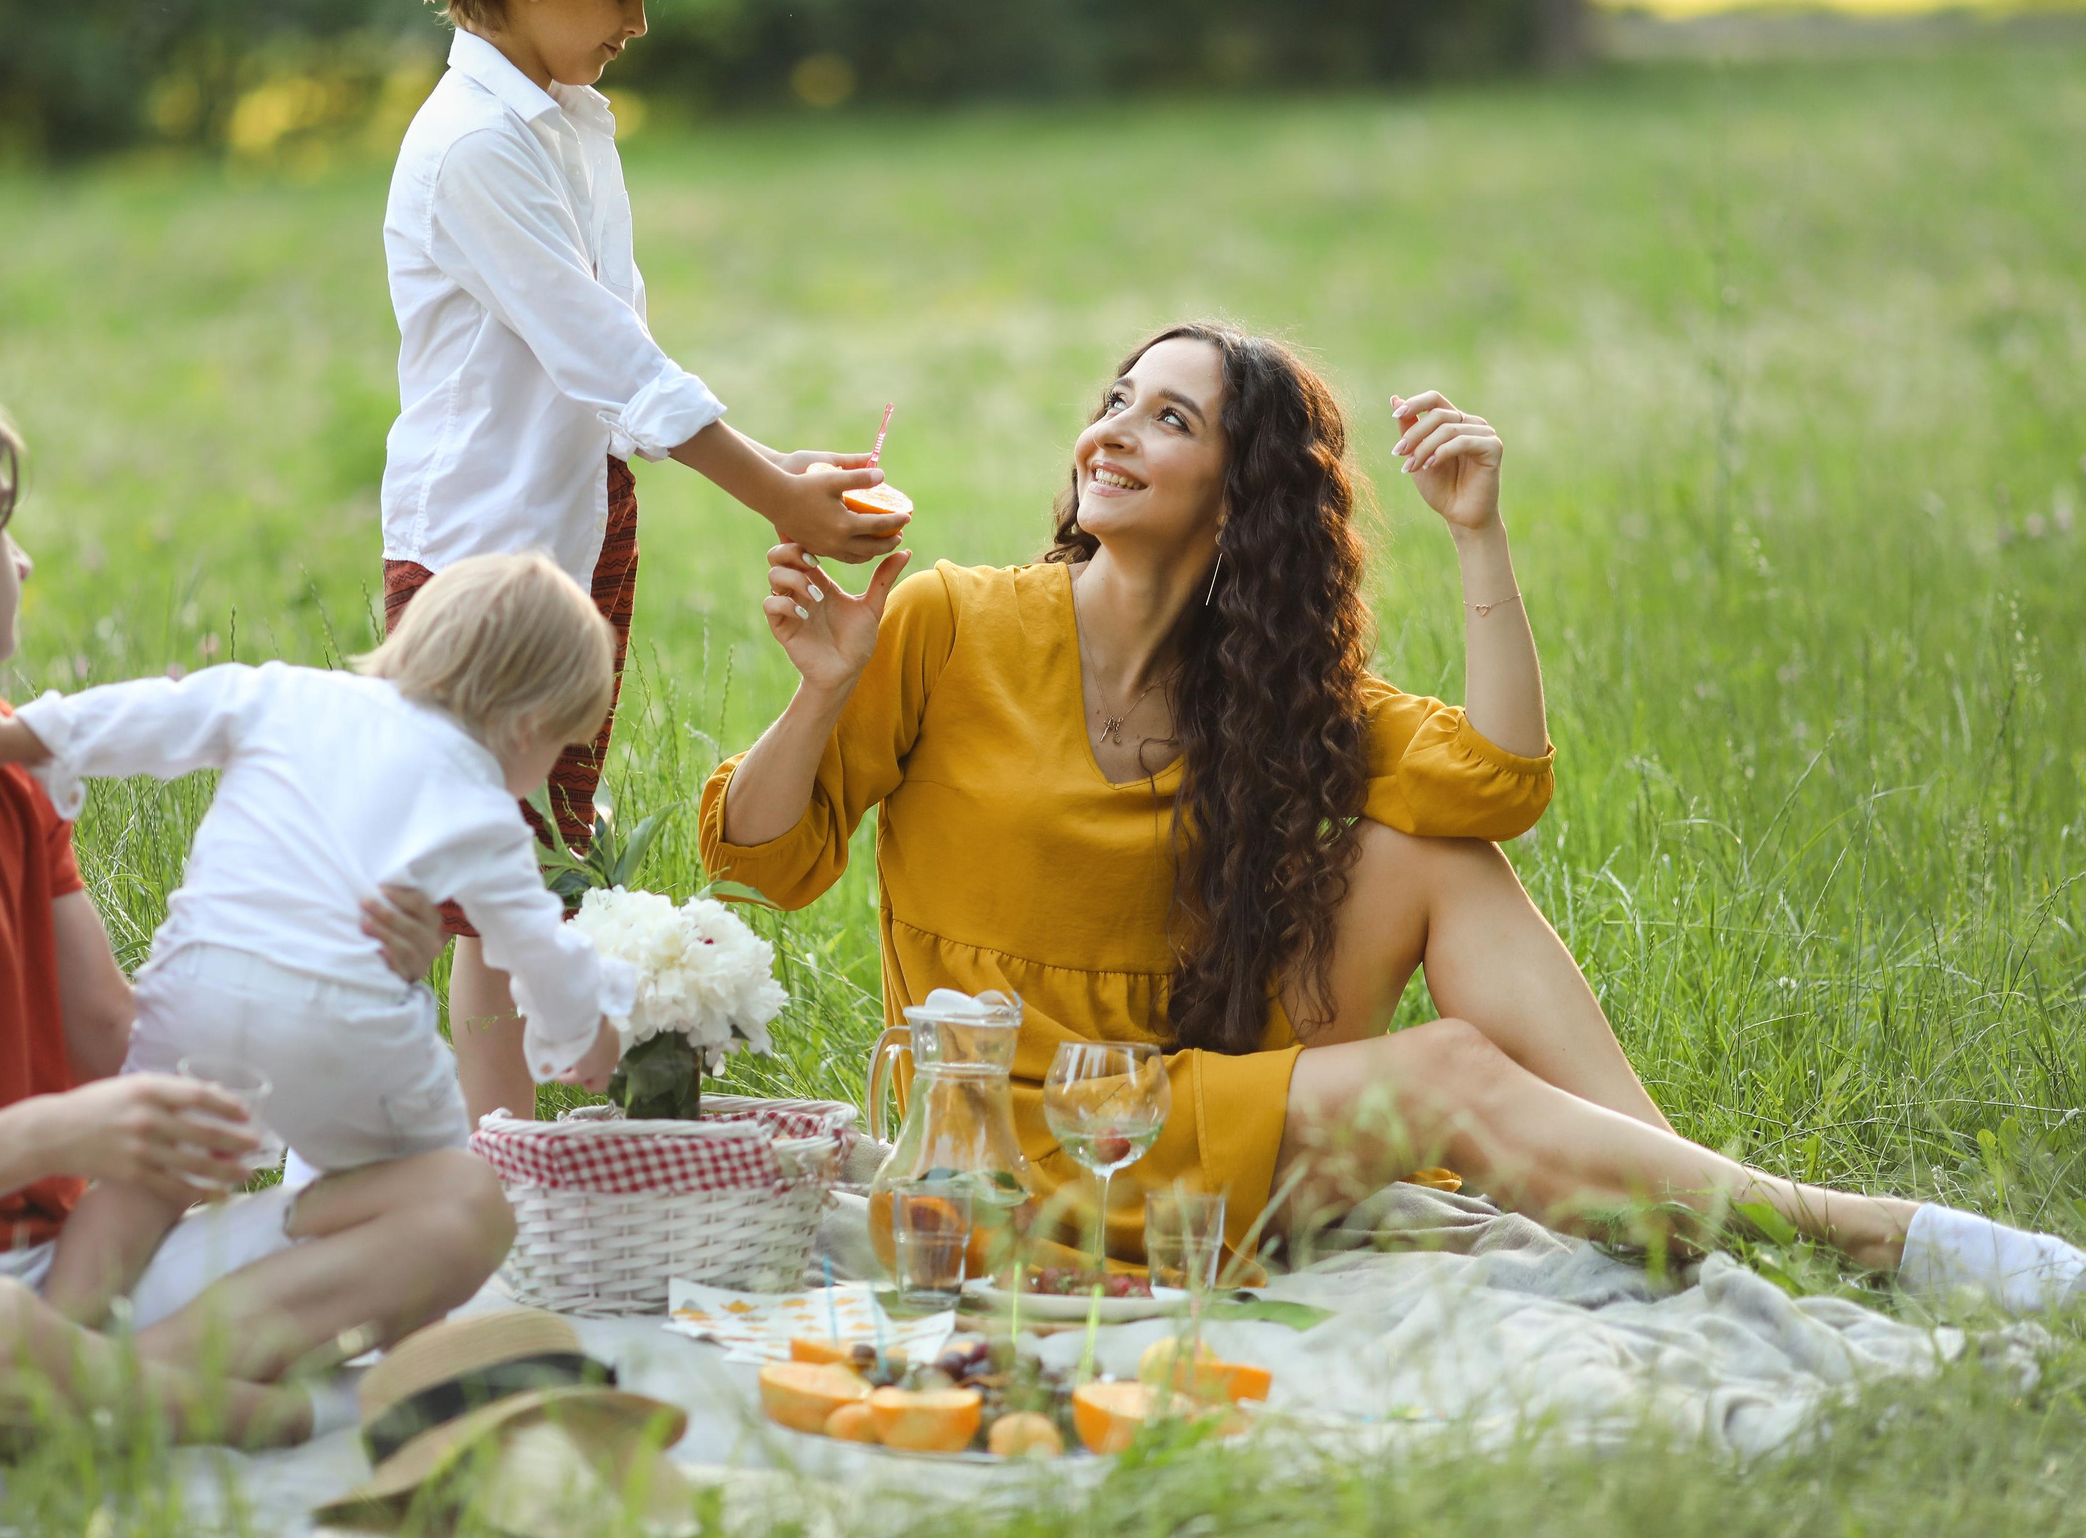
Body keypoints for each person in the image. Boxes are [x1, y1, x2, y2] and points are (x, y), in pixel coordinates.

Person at [699, 320, 2086, 1314]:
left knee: (1434, 851)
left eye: (1170, 418)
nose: (1112, 429)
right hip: (1015, 1138)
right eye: (1116, 400)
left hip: (1184, 1090)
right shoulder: (946, 619)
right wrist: (822, 691)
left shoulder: (1268, 692)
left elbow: (1498, 781)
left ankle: (1694, 1195)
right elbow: (759, 860)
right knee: (1451, 1068)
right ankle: (1871, 1235)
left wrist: (1478, 532)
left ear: (1242, 499)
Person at [0, 341, 513, 1445]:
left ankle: (103, 1395)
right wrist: (55, 1134)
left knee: (460, 1202)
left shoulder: (2, 760)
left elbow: (115, 1039)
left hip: (55, 1275)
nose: (21, 561)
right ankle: (199, 1407)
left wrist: (358, 976)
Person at [386, 0, 909, 1124]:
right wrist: (775, 496)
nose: (639, 20)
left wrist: (775, 462)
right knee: (492, 882)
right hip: (484, 561)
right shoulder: (474, 145)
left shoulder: (566, 122)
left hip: (573, 524)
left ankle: (522, 1147)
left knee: (543, 856)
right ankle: (491, 1162)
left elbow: (615, 360)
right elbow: (607, 358)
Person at [0, 553, 636, 1318]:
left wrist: (32, 731)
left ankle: (56, 1331)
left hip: (197, 991)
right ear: (530, 725)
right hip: (342, 1024)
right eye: (558, 746)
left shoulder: (290, 694)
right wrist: (587, 1036)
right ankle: (384, 1329)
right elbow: (537, 950)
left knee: (145, 1178)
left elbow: (165, 709)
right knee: (435, 1180)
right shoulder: (485, 811)